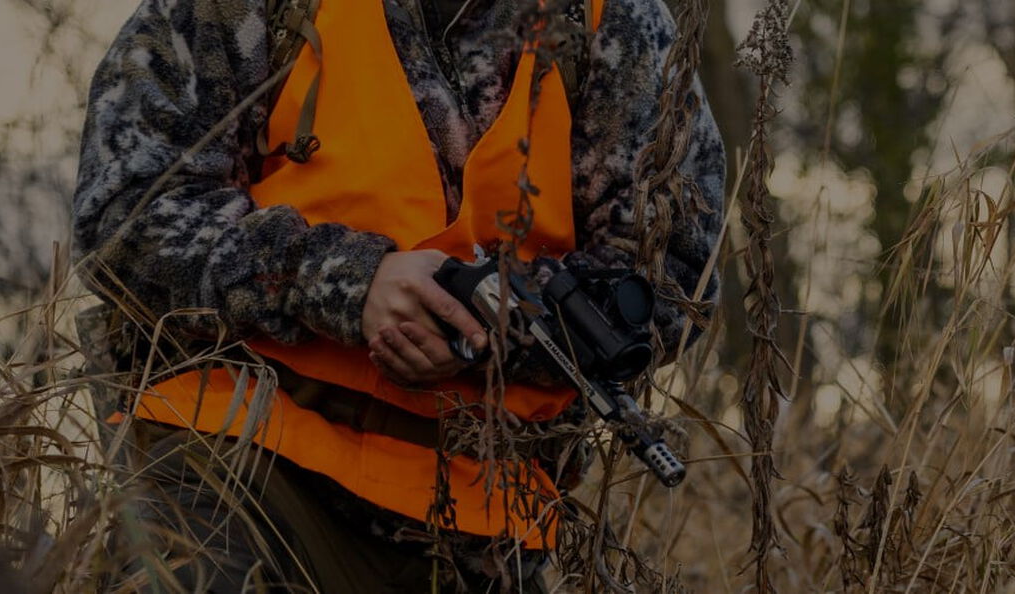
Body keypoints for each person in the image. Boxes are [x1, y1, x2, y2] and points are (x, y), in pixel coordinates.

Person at [71, 0, 724, 590]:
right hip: (235, 470)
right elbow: (123, 218)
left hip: (480, 526)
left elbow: (676, 278)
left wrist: (493, 331)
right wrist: (348, 282)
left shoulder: (615, 21)